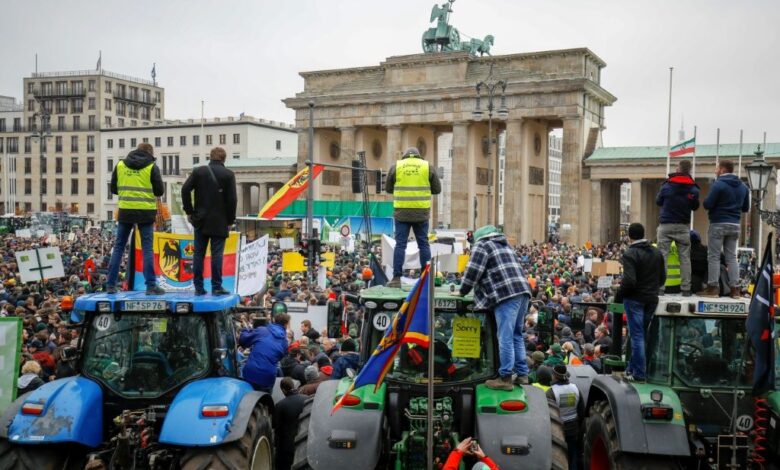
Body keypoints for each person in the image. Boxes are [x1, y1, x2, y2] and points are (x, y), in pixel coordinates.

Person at [458, 225, 533, 390]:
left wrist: (462, 291)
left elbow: (473, 271)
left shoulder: (482, 245)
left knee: (504, 336)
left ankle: (505, 378)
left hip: (505, 294)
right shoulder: (505, 245)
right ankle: (522, 374)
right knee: (516, 335)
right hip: (523, 292)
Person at [106, 143, 165, 295]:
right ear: (150, 153)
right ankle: (151, 286)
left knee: (118, 247)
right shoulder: (152, 167)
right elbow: (159, 191)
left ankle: (110, 285)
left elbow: (113, 189)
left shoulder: (120, 165)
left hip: (125, 211)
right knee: (147, 249)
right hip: (146, 213)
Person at [181, 147, 238, 296]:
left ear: (210, 157)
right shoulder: (228, 175)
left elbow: (185, 190)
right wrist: (230, 220)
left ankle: (198, 287)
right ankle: (216, 287)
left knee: (198, 254)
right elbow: (232, 200)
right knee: (217, 254)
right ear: (224, 159)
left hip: (200, 220)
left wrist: (189, 211)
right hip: (220, 221)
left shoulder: (199, 171)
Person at [614, 223, 665, 382]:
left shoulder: (630, 253)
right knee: (641, 334)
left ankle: (639, 373)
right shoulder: (656, 252)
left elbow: (629, 281)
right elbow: (662, 278)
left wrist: (619, 294)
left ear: (629, 236)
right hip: (651, 298)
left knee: (636, 336)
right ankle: (631, 367)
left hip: (635, 299)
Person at [385, 147, 442, 287]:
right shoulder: (427, 167)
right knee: (423, 244)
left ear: (405, 156)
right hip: (421, 212)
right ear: (419, 156)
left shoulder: (396, 167)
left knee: (400, 245)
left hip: (401, 212)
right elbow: (437, 189)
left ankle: (396, 278)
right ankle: (426, 277)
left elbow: (388, 188)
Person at [700, 159, 750, 298]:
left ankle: (713, 288)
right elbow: (745, 208)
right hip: (734, 225)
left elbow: (708, 204)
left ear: (722, 170)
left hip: (718, 223)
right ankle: (735, 289)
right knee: (732, 257)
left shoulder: (718, 184)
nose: (715, 171)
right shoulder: (743, 187)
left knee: (714, 256)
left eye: (717, 168)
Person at [656, 159, 699, 296]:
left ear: (678, 169)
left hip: (666, 225)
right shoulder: (693, 188)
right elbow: (695, 206)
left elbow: (658, 201)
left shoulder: (667, 185)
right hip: (683, 226)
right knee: (685, 258)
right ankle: (686, 289)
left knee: (663, 256)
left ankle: (660, 288)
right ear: (689, 170)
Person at [239, 310, 290, 393]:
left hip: (251, 372)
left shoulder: (262, 330)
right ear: (286, 324)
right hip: (268, 377)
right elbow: (280, 356)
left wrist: (245, 329)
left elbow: (243, 340)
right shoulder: (284, 342)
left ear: (274, 320)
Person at [547, 364, 581, 470]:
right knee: (572, 454)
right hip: (574, 428)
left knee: (558, 457)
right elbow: (581, 409)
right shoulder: (575, 388)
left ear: (555, 376)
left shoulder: (551, 392)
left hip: (558, 431)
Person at [273, 377, 307, 470]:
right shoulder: (306, 399)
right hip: (304, 441)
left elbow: (276, 427)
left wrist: (276, 444)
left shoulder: (280, 405)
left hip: (286, 446)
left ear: (283, 390)